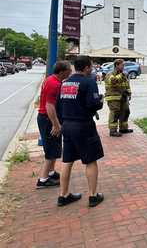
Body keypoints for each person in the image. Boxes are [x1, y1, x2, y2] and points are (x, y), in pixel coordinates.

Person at [58, 56, 105, 207]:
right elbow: (93, 104)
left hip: (67, 124)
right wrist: (100, 102)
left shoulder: (65, 83)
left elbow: (62, 103)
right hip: (83, 125)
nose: (91, 69)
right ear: (86, 67)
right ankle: (93, 196)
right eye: (90, 66)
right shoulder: (89, 82)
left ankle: (63, 195)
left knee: (67, 160)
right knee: (91, 160)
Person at [36, 61, 72, 189]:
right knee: (51, 149)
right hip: (48, 119)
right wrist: (56, 124)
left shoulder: (52, 80)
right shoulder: (54, 84)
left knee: (55, 147)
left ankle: (51, 172)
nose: (71, 72)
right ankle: (43, 179)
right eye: (69, 70)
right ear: (62, 71)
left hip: (47, 119)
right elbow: (49, 106)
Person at [104, 59, 133, 137]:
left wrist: (129, 93)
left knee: (126, 111)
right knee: (115, 113)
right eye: (122, 65)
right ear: (117, 65)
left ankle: (123, 128)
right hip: (113, 97)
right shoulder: (110, 74)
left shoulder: (123, 74)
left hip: (123, 97)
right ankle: (113, 131)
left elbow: (126, 84)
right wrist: (121, 75)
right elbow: (113, 81)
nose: (124, 67)